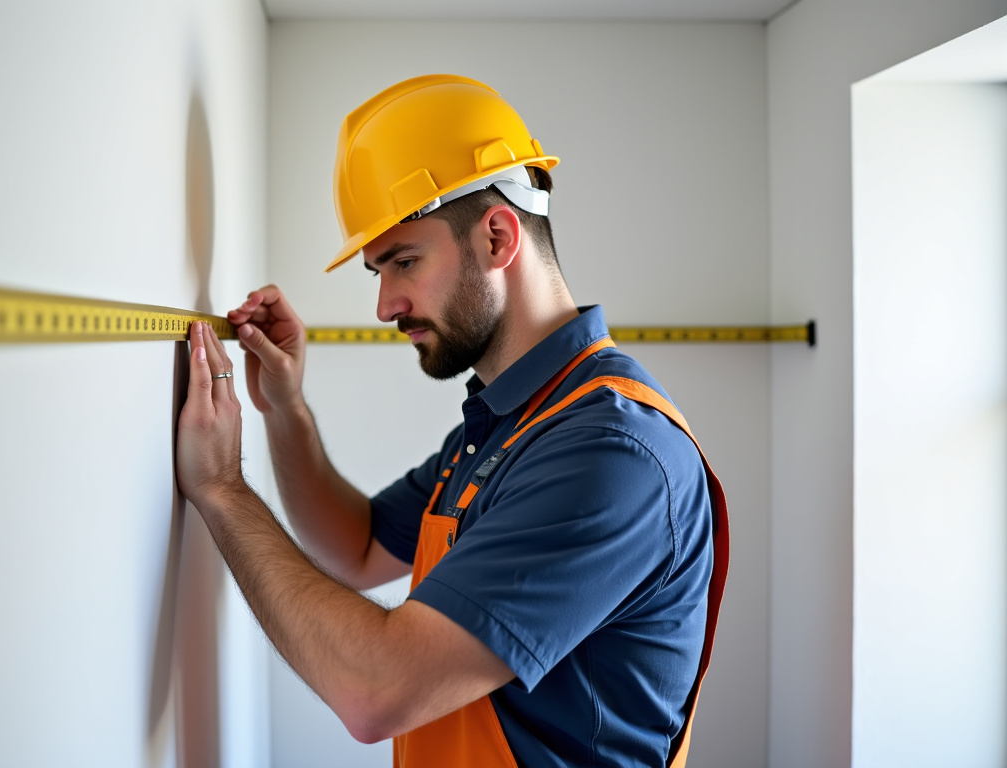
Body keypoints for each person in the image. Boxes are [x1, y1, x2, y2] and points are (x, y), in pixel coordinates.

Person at [175, 74, 728, 768]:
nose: (384, 305)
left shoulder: (609, 455)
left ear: (497, 238)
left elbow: (375, 688)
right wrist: (285, 410)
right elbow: (357, 548)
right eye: (378, 270)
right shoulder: (509, 422)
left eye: (404, 261)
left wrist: (224, 490)